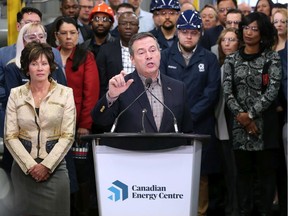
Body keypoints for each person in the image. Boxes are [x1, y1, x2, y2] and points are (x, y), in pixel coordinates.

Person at [160, 10, 221, 216]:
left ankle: (200, 212)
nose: (189, 36)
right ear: (177, 32)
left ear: (200, 33)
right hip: (171, 123)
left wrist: (190, 116)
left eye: (193, 32)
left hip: (200, 124)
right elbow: (161, 88)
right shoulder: (165, 56)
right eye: (184, 32)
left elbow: (211, 92)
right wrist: (176, 116)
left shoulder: (210, 58)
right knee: (173, 172)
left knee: (201, 174)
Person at [4, 41, 76, 216]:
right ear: (27, 68)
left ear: (51, 67)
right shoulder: (16, 94)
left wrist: (46, 166)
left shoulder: (65, 93)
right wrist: (30, 166)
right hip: (23, 169)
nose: (39, 68)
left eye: (44, 63)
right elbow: (10, 135)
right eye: (34, 63)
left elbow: (68, 136)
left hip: (55, 168)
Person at [223, 12, 282, 216]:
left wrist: (250, 115)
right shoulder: (232, 59)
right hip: (239, 128)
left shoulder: (272, 57)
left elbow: (272, 90)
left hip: (265, 126)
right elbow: (228, 91)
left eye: (254, 29)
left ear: (263, 32)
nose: (249, 32)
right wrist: (242, 117)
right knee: (243, 175)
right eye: (246, 28)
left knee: (266, 176)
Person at [91, 32, 194, 135]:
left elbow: (187, 130)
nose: (149, 56)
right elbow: (100, 121)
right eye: (141, 52)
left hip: (169, 150)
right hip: (132, 150)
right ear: (132, 59)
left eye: (152, 50)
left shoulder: (178, 88)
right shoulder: (122, 86)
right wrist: (111, 96)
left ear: (159, 53)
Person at [54, 16, 100, 216]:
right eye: (63, 33)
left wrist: (85, 124)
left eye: (72, 33)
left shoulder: (86, 56)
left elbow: (91, 93)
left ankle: (82, 211)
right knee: (59, 169)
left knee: (80, 171)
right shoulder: (50, 55)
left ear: (78, 34)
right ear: (56, 36)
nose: (68, 37)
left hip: (78, 125)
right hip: (54, 124)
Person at [215, 27, 240, 216]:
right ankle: (232, 206)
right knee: (228, 171)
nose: (227, 43)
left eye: (231, 40)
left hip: (237, 125)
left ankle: (237, 208)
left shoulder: (238, 65)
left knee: (237, 171)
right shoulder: (221, 66)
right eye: (224, 40)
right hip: (221, 124)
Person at [96, 11, 139, 97]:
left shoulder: (146, 51)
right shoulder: (105, 50)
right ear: (118, 28)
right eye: (124, 23)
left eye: (132, 24)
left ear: (138, 28)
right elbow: (101, 83)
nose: (128, 27)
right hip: (115, 100)